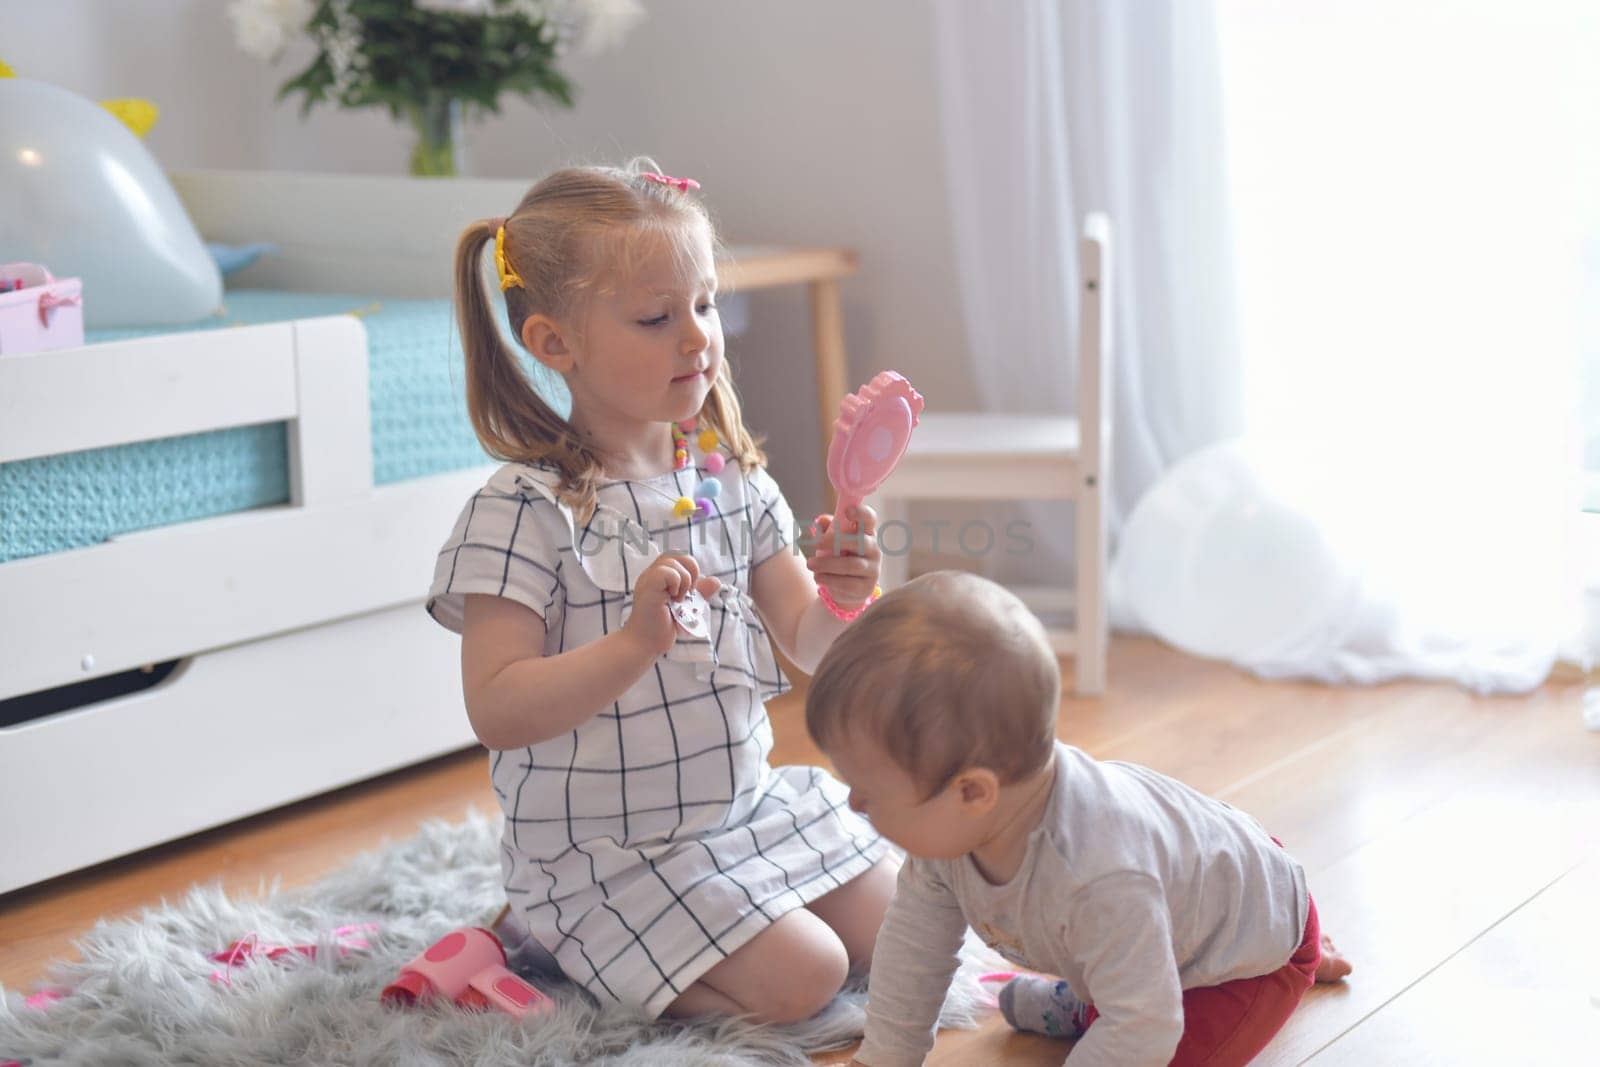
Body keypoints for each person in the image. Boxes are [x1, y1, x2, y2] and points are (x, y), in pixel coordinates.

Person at [426, 161, 897, 1023]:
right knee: (809, 978)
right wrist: (631, 643)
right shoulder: (522, 512)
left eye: (706, 304)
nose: (697, 339)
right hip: (609, 854)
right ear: (553, 343)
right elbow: (496, 707)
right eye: (656, 317)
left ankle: (685, 941)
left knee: (900, 921)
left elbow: (805, 635)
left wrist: (845, 599)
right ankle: (549, 935)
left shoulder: (733, 481)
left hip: (741, 815)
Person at [805, 570, 1353, 1066]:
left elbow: (1148, 1028)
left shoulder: (1100, 876)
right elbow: (914, 946)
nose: (853, 802)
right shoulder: (955, 829)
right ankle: (1100, 997)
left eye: (870, 790)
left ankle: (1284, 958)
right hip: (1170, 917)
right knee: (1120, 976)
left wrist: (1122, 1018)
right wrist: (881, 1059)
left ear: (972, 791)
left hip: (1243, 958)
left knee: (1155, 1043)